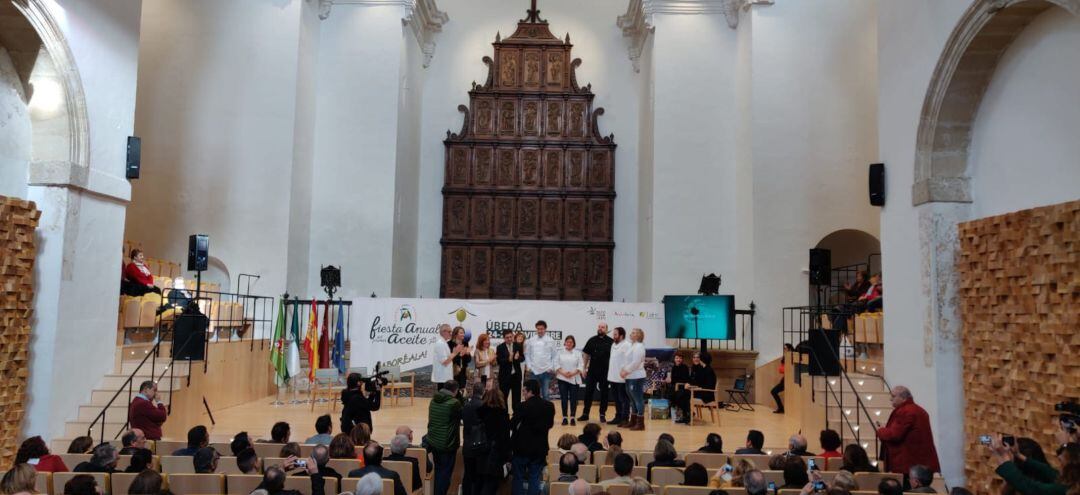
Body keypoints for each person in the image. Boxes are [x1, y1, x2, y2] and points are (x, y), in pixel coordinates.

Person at [875, 386, 940, 477]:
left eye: (893, 396)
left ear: (903, 398)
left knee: (907, 489)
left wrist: (880, 431)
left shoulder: (905, 411)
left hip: (907, 463)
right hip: (920, 462)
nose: (890, 399)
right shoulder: (921, 411)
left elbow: (895, 435)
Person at [990, 433, 1077, 495]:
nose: (1059, 466)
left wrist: (1004, 458)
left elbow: (1030, 487)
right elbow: (1048, 471)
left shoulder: (1065, 490)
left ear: (1071, 468)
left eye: (1061, 462)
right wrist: (1018, 455)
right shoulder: (1072, 482)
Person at [510, 379, 555, 495]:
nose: (523, 394)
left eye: (524, 391)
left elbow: (512, 424)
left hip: (521, 448)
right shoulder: (549, 406)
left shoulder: (522, 406)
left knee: (518, 478)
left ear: (530, 391)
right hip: (540, 448)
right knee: (534, 478)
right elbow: (550, 425)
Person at [427, 380, 463, 495]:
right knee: (445, 474)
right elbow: (463, 413)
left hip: (433, 440)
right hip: (447, 443)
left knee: (438, 470)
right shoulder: (454, 403)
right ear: (455, 391)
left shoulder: (433, 400)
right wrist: (461, 397)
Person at [476, 387, 512, 495]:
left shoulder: (479, 412)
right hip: (495, 454)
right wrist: (508, 457)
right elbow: (505, 438)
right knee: (491, 485)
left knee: (480, 483)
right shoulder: (503, 415)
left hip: (479, 451)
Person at [579, 322, 613, 423]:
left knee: (604, 394)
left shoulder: (611, 342)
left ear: (606, 329)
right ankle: (585, 414)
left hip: (605, 372)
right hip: (592, 371)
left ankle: (602, 414)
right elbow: (585, 354)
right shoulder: (592, 340)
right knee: (588, 392)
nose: (600, 328)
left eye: (602, 327)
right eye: (599, 327)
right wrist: (584, 368)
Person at [621, 328, 647, 431]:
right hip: (630, 376)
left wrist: (625, 371)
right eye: (631, 332)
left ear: (638, 336)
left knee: (638, 399)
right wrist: (623, 369)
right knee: (632, 400)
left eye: (633, 333)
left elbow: (636, 362)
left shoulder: (639, 347)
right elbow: (628, 361)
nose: (631, 334)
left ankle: (640, 424)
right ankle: (633, 421)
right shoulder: (633, 346)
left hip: (637, 376)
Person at [555, 335, 585, 425]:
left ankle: (572, 417)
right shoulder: (559, 352)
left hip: (574, 378)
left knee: (573, 399)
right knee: (564, 399)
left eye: (571, 342)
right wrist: (564, 373)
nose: (569, 343)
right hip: (562, 378)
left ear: (573, 344)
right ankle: (564, 417)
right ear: (565, 343)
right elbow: (556, 364)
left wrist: (572, 373)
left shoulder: (578, 353)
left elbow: (581, 365)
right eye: (567, 342)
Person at [462, 382, 485, 495]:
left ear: (473, 391)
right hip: (479, 447)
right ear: (483, 392)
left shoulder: (466, 406)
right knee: (478, 476)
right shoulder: (484, 406)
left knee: (467, 475)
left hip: (467, 445)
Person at [524, 321, 557, 400]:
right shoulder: (531, 340)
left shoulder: (551, 340)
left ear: (545, 329)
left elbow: (555, 356)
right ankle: (533, 412)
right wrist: (529, 366)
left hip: (546, 371)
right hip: (534, 371)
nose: (540, 331)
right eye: (538, 329)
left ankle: (545, 412)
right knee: (532, 394)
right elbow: (527, 354)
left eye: (541, 329)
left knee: (545, 394)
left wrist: (551, 367)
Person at [496, 329, 525, 413]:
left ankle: (516, 418)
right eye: (507, 337)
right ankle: (504, 419)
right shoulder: (500, 347)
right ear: (504, 338)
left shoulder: (518, 345)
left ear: (513, 336)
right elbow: (499, 361)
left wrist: (518, 358)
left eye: (510, 337)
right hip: (504, 377)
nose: (509, 339)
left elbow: (523, 358)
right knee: (504, 398)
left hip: (516, 376)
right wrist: (508, 359)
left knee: (516, 399)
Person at [255, 461, 325, 495]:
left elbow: (266, 483)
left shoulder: (257, 493)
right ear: (282, 483)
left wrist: (281, 470)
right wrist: (315, 475)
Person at [606, 327, 630, 426]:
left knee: (623, 399)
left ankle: (625, 418)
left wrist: (625, 372)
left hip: (622, 378)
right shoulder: (613, 345)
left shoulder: (627, 345)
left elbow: (629, 361)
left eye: (615, 335)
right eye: (613, 334)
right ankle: (618, 416)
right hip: (613, 377)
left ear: (621, 336)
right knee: (616, 399)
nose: (613, 336)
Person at [667, 353, 692, 423]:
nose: (678, 359)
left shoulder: (685, 367)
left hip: (683, 387)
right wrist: (668, 380)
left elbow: (685, 379)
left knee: (678, 396)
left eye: (680, 358)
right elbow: (673, 380)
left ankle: (686, 413)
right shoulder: (674, 368)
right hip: (675, 387)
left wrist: (676, 383)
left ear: (682, 359)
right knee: (669, 394)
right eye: (677, 358)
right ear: (674, 359)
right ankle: (685, 413)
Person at [432, 324, 455, 391]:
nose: (451, 334)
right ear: (443, 332)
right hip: (442, 377)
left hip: (445, 376)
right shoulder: (440, 344)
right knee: (443, 398)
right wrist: (454, 353)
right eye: (449, 332)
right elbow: (445, 362)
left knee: (445, 398)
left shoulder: (444, 343)